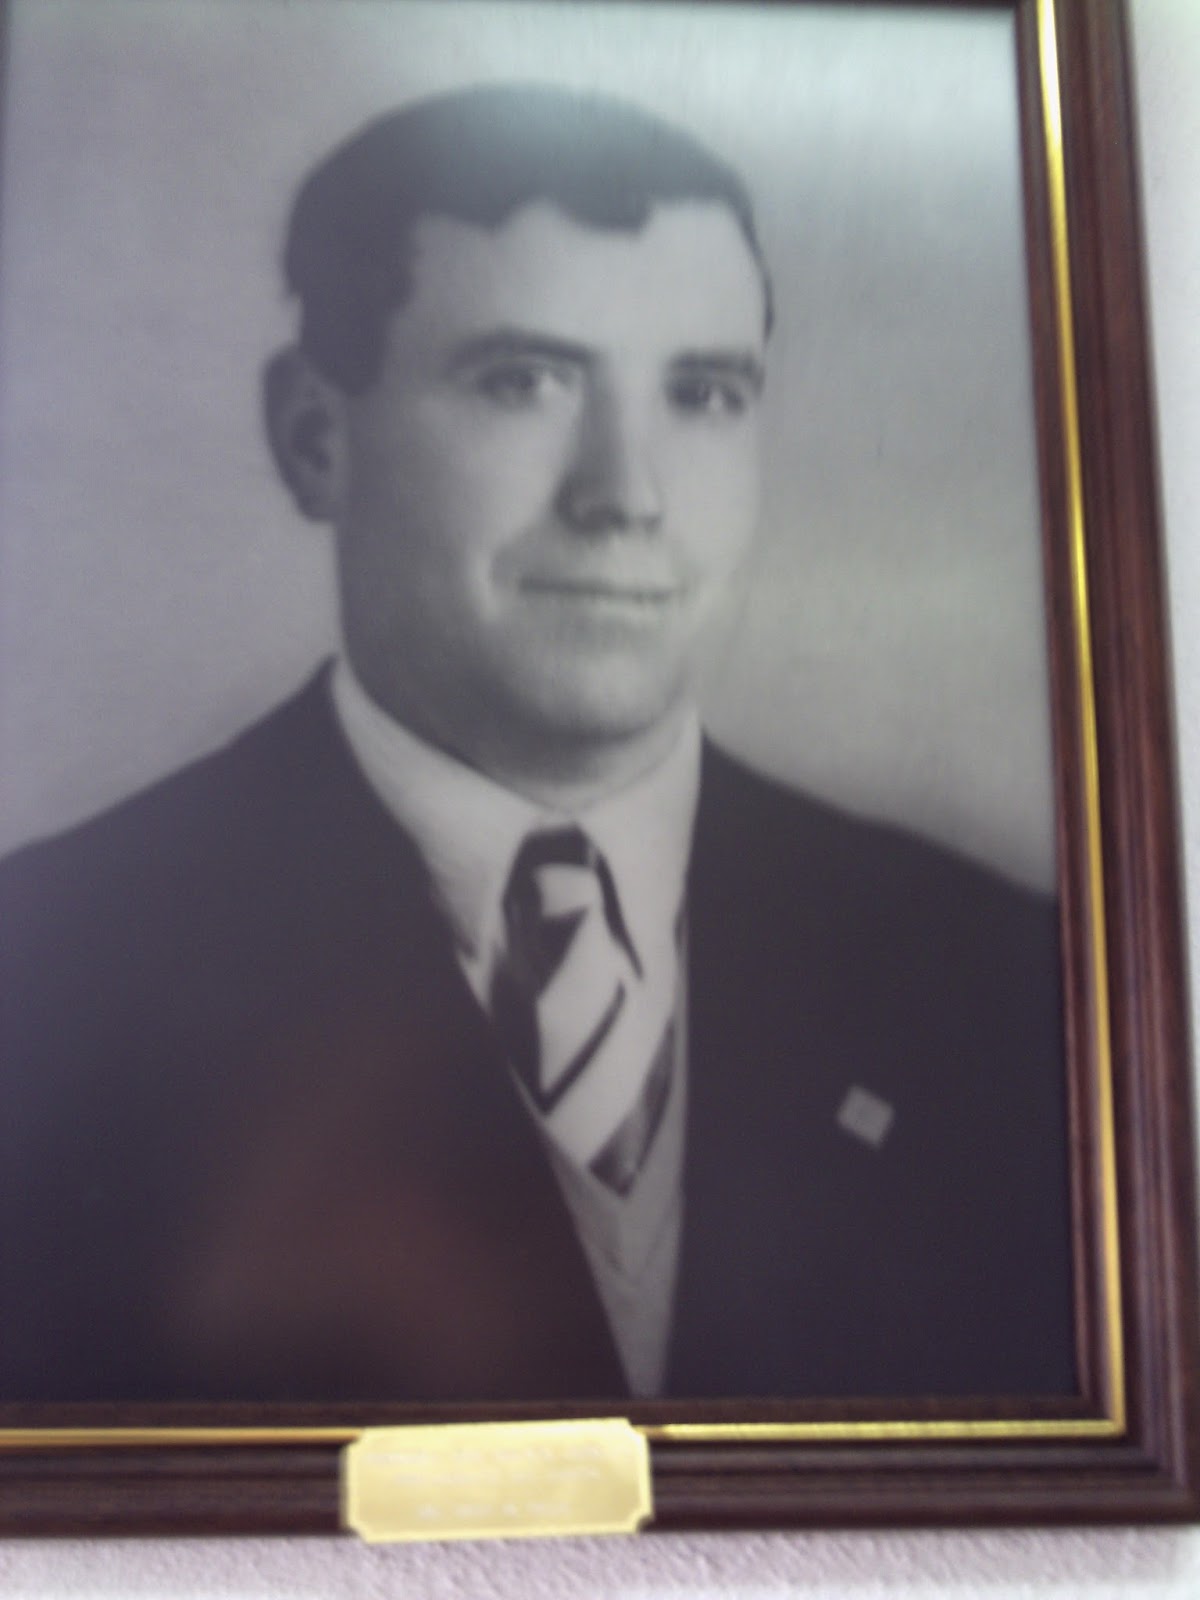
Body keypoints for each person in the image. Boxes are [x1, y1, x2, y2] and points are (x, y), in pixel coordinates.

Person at [0, 84, 1075, 1406]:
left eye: (703, 393)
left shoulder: (1005, 981)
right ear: (314, 437)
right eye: (522, 382)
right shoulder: (51, 969)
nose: (625, 494)